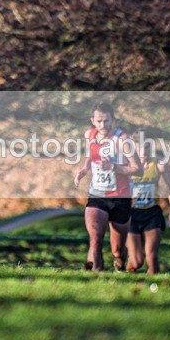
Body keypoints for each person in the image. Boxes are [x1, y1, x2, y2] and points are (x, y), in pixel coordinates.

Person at [74, 102, 142, 271]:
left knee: (117, 250)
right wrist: (83, 170)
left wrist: (114, 167)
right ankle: (96, 278)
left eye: (106, 121)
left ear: (113, 120)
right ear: (93, 121)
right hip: (97, 195)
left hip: (120, 197)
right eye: (99, 121)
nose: (103, 125)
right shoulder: (89, 135)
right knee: (95, 240)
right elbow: (90, 155)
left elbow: (138, 169)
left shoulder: (122, 140)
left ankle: (119, 264)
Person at [126, 137, 170, 274]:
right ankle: (128, 272)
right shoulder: (125, 165)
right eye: (140, 147)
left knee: (152, 256)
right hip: (131, 215)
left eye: (147, 147)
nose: (144, 151)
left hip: (152, 213)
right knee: (137, 261)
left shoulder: (160, 164)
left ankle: (155, 289)